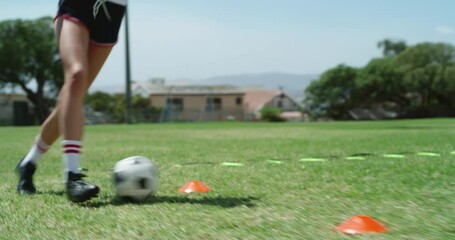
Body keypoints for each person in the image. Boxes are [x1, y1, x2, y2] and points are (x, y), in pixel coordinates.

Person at [16, 0, 127, 202]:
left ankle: (28, 163)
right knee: (76, 75)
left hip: (112, 10)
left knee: (70, 99)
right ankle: (73, 177)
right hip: (78, 5)